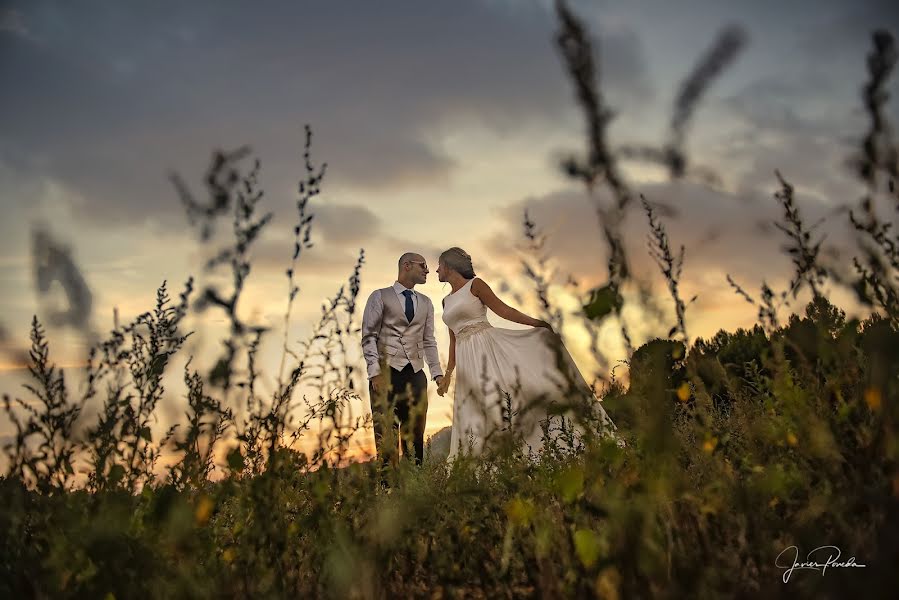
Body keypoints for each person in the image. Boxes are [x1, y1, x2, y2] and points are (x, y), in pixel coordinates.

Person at [435, 247, 619, 459]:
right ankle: (483, 460)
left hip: (486, 349)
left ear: (448, 266)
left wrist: (537, 323)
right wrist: (448, 375)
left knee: (497, 400)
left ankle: (522, 451)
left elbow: (505, 311)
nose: (436, 270)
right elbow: (452, 340)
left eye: (439, 265)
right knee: (474, 408)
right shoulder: (445, 301)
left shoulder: (475, 286)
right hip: (466, 357)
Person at [362, 252, 444, 469]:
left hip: (416, 375)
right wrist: (374, 372)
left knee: (415, 436)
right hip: (385, 375)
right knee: (386, 436)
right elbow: (369, 336)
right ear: (406, 266)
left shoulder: (426, 303)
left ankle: (414, 486)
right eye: (423, 265)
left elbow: (429, 340)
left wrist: (437, 373)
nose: (428, 270)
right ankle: (388, 491)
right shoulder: (379, 296)